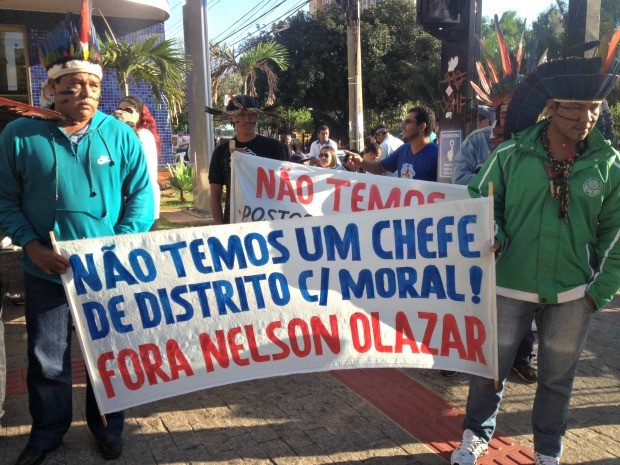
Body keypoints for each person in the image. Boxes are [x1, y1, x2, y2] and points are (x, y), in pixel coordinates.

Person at [0, 4, 154, 464]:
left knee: (105, 355)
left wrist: (115, 246)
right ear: (51, 89)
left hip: (104, 271)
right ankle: (47, 434)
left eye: (92, 86)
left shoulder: (120, 135)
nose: (85, 94)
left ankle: (108, 428)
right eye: (72, 86)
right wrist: (32, 246)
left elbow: (140, 198)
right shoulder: (20, 135)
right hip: (44, 269)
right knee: (47, 359)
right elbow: (5, 199)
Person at [450, 55, 620, 465]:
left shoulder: (611, 166)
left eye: (594, 109)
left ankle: (548, 450)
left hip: (574, 294)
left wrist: (598, 292)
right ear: (551, 109)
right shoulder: (510, 155)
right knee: (491, 369)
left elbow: (615, 236)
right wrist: (495, 233)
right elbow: (480, 200)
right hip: (510, 284)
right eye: (575, 109)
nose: (586, 118)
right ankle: (475, 434)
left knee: (558, 381)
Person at [451, 98, 538, 383]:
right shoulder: (477, 141)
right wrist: (492, 177)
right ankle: (459, 354)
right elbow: (460, 178)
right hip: (481, 234)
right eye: (503, 111)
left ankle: (521, 358)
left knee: (522, 300)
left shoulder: (538, 146)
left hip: (522, 238)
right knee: (471, 296)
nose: (509, 117)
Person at [207, 94, 287, 225]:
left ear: (257, 117)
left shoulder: (274, 147)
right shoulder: (221, 152)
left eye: (252, 114)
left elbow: (283, 186)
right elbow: (215, 196)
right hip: (234, 223)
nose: (247, 119)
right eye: (241, 115)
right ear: (232, 117)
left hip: (268, 222)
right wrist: (220, 228)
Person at [348, 106, 438, 181]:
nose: (402, 126)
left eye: (408, 122)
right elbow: (379, 167)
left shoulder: (437, 155)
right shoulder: (403, 149)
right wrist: (361, 162)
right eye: (403, 122)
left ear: (422, 126)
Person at [116, 96, 161, 230]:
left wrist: (127, 125)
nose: (123, 113)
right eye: (120, 109)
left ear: (140, 115)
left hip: (144, 204)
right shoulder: (121, 134)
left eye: (129, 110)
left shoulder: (144, 134)